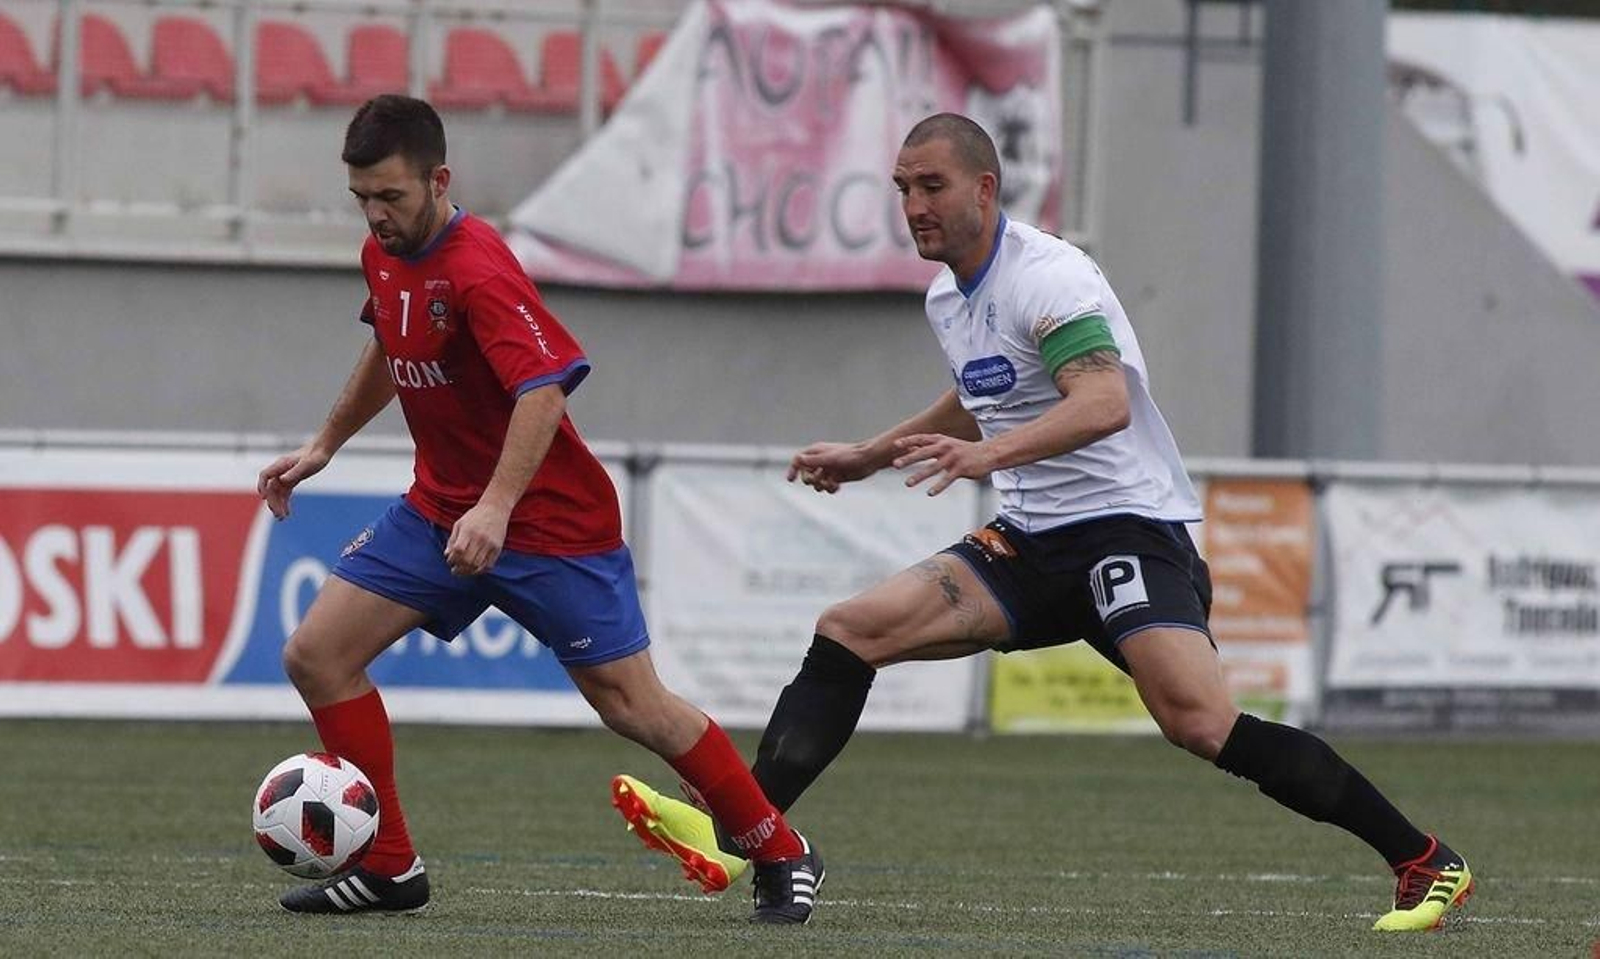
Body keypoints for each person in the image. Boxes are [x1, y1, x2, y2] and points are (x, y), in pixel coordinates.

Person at [610, 112, 1473, 934]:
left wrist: (989, 457)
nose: (914, 206)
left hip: (1125, 532)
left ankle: (1425, 858)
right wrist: (875, 452)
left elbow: (1100, 402)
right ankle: (748, 840)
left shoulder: (1049, 275)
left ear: (985, 189)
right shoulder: (949, 301)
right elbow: (979, 390)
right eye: (902, 188)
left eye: (933, 185)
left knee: (1204, 724)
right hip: (1028, 547)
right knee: (849, 630)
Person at [257, 94, 820, 924]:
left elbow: (544, 387)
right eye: (363, 200)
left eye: (392, 198)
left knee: (634, 706)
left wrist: (495, 506)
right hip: (440, 511)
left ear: (439, 179)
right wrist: (325, 445)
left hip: (551, 526)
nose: (377, 217)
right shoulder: (386, 255)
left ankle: (780, 848)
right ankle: (389, 867)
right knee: (317, 654)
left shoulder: (480, 266)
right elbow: (389, 341)